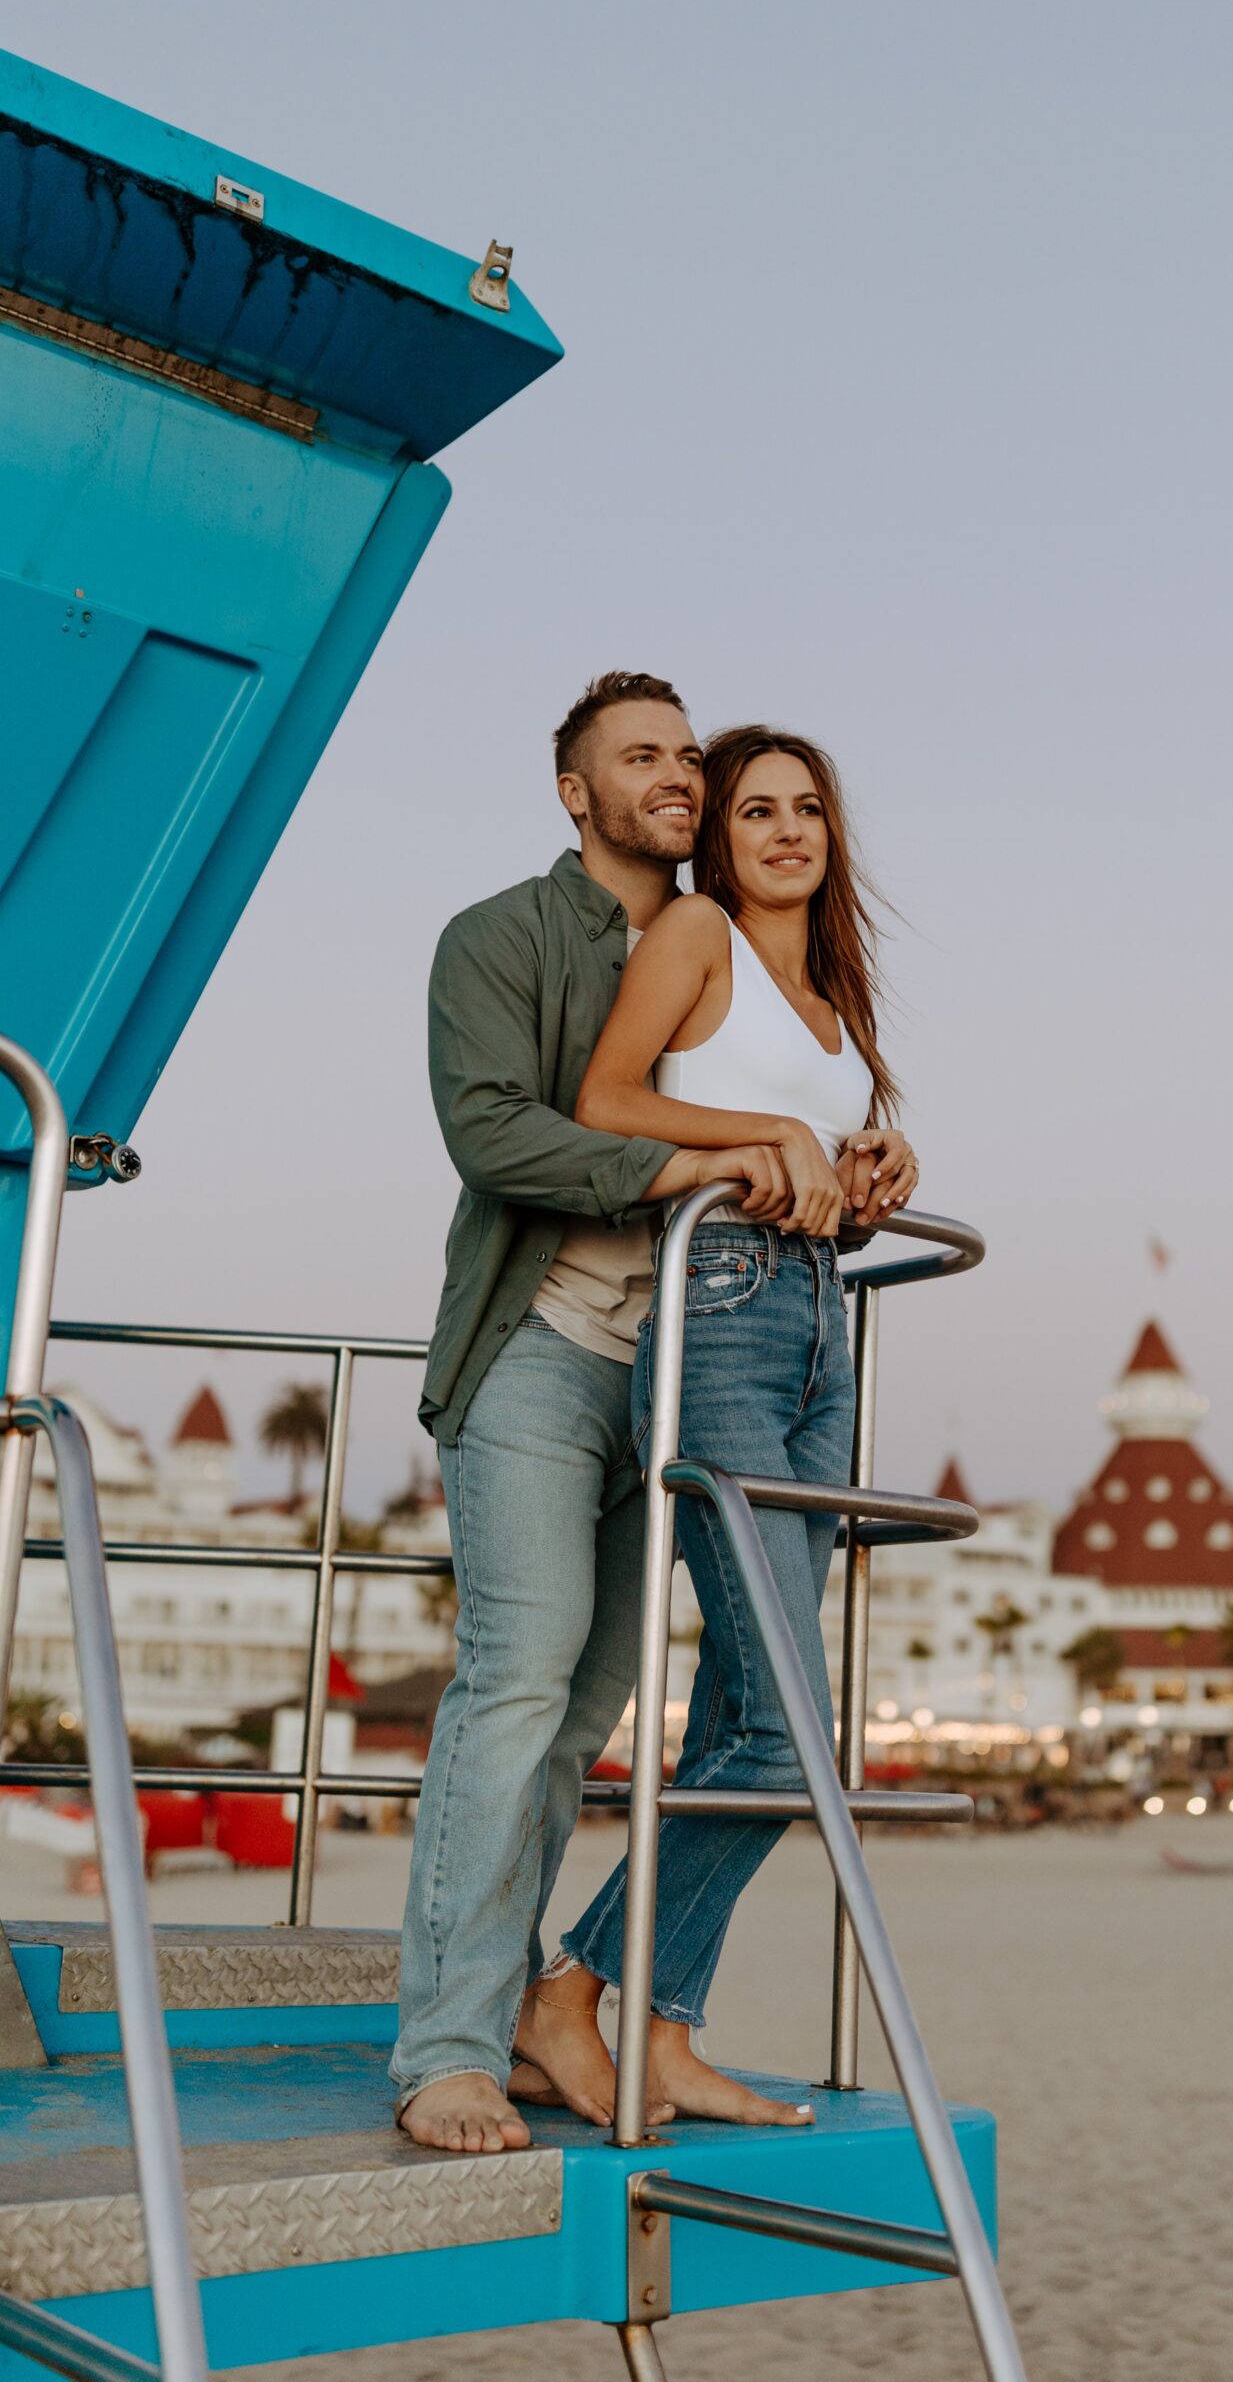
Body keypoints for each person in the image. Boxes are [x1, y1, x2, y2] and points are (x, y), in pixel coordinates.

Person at [392, 672, 794, 2156]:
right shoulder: (497, 936)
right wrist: (685, 1169)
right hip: (541, 1350)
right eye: (642, 756)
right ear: (578, 791)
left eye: (689, 753)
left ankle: (542, 1996)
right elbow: (491, 1129)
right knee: (514, 1682)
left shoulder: (731, 947)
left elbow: (781, 1117)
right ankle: (446, 2051)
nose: (677, 775)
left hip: (691, 1375)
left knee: (582, 1716)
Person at [511, 723, 917, 2131]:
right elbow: (605, 1104)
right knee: (786, 1717)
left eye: (809, 809)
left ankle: (665, 2025)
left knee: (768, 1713)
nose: (788, 830)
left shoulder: (835, 997)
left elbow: (808, 1167)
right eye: (757, 809)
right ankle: (571, 1987)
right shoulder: (696, 933)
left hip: (820, 1324)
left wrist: (867, 1163)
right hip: (725, 1313)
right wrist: (770, 1136)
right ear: (720, 836)